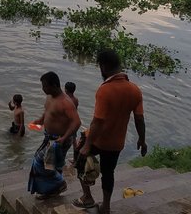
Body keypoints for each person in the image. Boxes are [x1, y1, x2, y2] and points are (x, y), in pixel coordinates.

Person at [72, 48, 147, 214]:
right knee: (108, 173)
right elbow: (139, 119)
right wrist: (142, 140)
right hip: (116, 143)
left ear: (104, 67)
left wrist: (87, 145)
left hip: (98, 140)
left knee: (79, 160)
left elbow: (98, 121)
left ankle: (87, 197)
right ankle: (106, 207)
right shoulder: (135, 90)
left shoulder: (104, 90)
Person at [28, 71, 81, 200]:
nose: (43, 89)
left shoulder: (65, 102)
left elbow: (77, 122)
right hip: (49, 137)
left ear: (54, 85)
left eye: (45, 86)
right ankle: (51, 190)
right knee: (53, 165)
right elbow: (47, 111)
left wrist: (63, 138)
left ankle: (59, 183)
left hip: (59, 140)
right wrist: (40, 121)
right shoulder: (50, 97)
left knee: (39, 162)